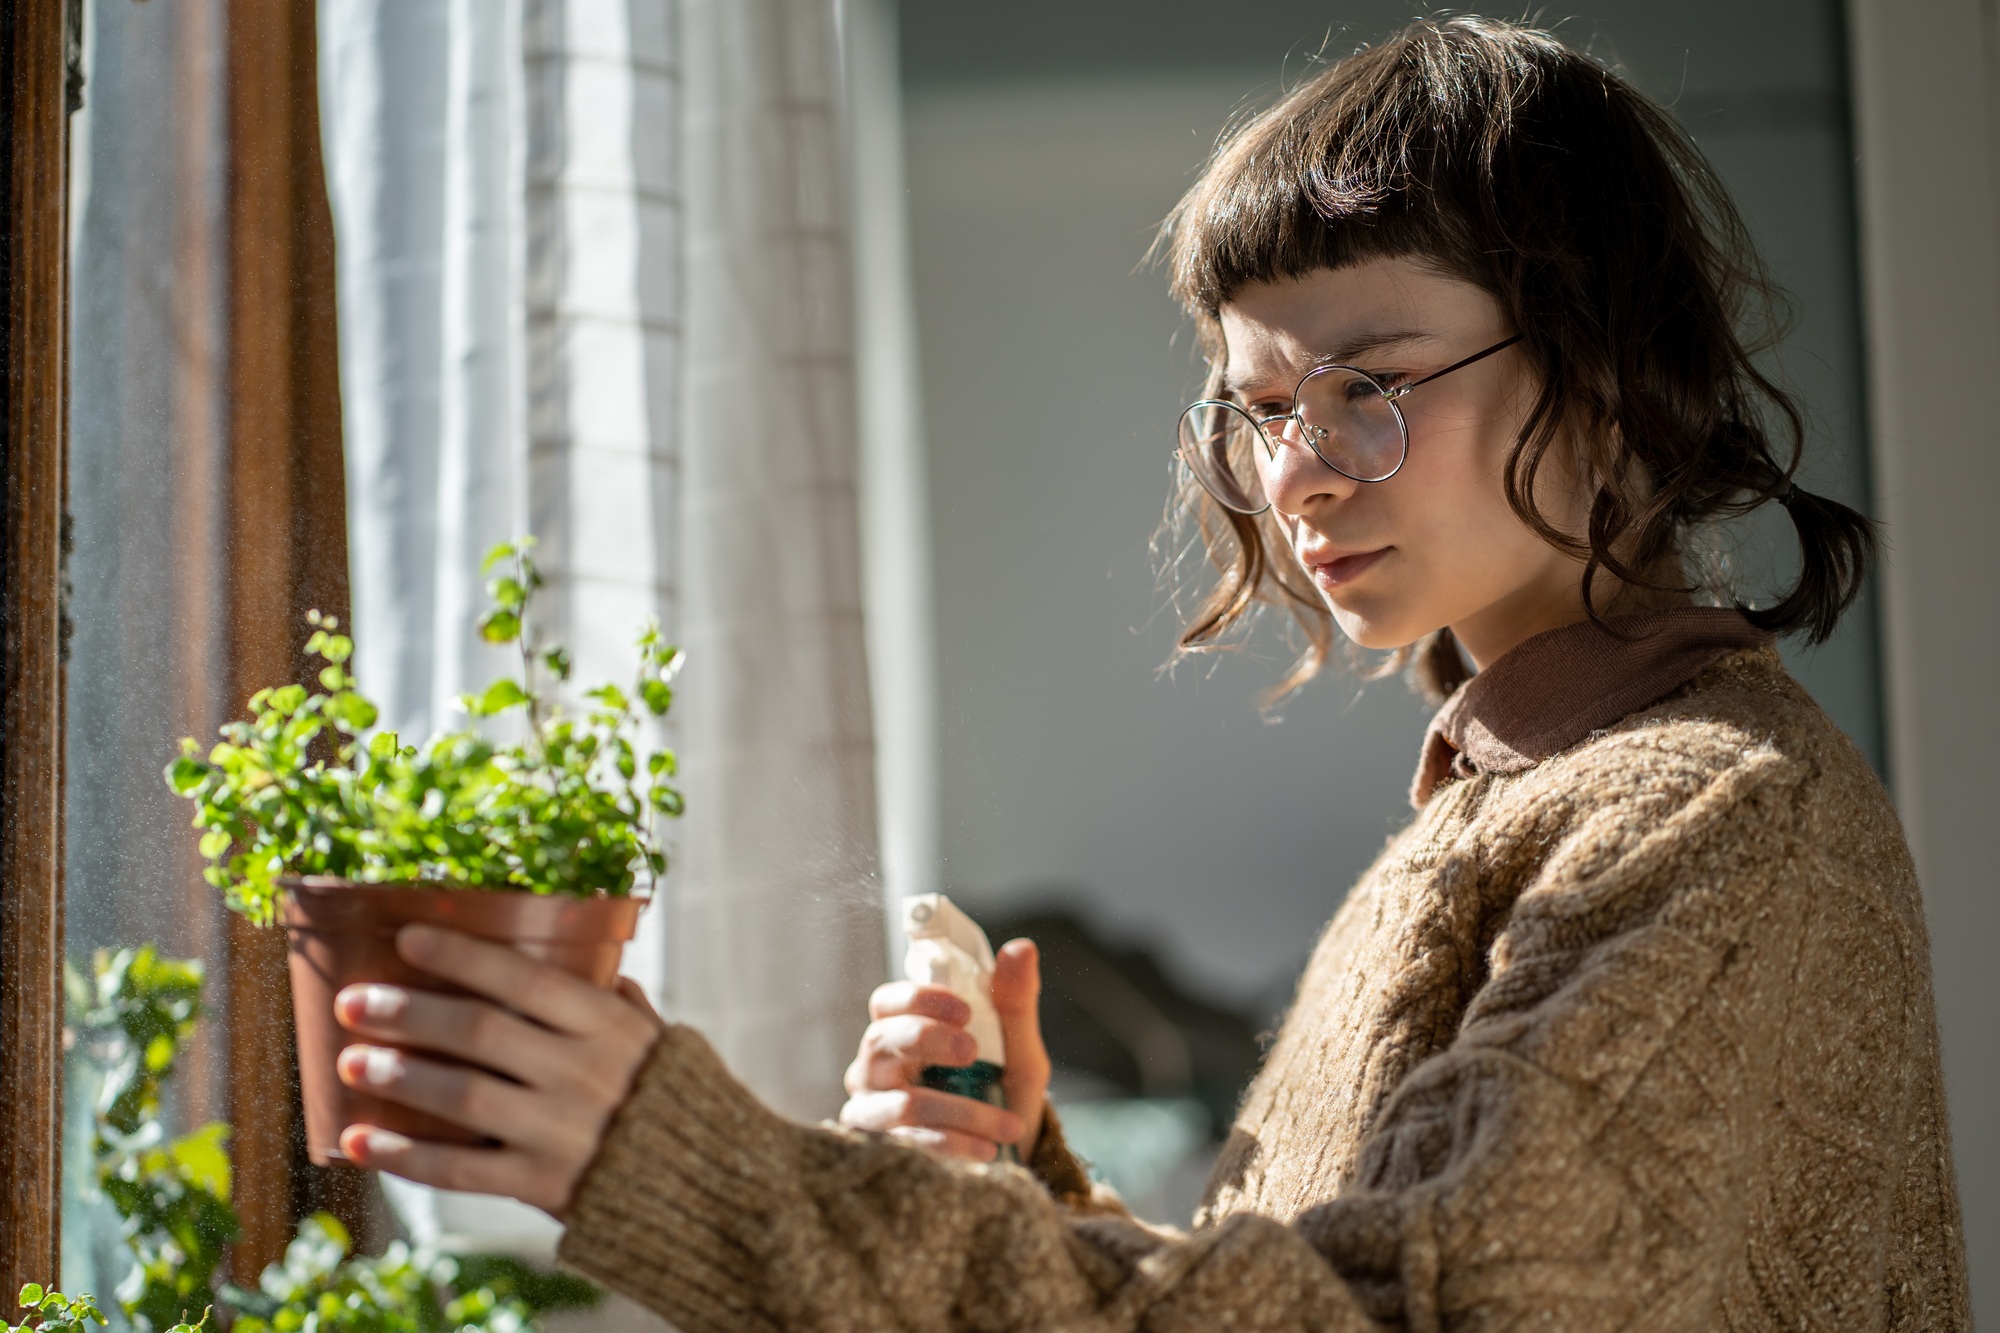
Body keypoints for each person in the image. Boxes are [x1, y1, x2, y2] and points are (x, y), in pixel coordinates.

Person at [326, 17, 1969, 1330]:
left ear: (1607, 376)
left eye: (1371, 381)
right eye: (1258, 406)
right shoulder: (1532, 793)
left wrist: (697, 1168)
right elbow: (1330, 1286)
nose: (1301, 471)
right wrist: (1033, 1181)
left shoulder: (1712, 823)